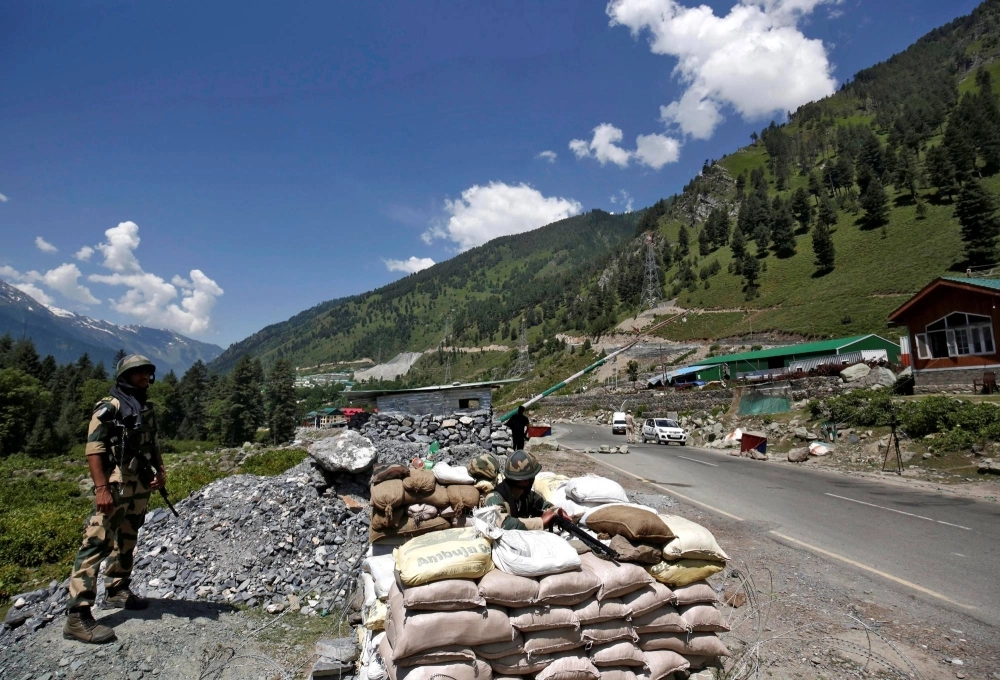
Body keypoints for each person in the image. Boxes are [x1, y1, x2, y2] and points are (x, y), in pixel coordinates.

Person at [63, 355, 166, 643]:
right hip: (115, 486)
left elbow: (153, 443)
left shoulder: (146, 407)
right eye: (138, 373)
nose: (144, 377)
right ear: (125, 376)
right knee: (97, 542)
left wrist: (161, 471)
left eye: (147, 372)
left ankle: (117, 589)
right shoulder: (109, 407)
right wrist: (101, 489)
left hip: (139, 486)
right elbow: (94, 449)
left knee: (128, 538)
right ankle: (77, 615)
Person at [484, 450, 571, 530]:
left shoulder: (526, 496)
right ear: (526, 480)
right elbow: (503, 524)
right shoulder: (494, 498)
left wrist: (555, 511)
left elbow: (543, 505)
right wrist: (541, 521)